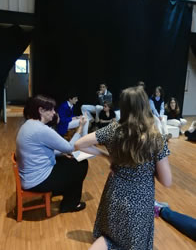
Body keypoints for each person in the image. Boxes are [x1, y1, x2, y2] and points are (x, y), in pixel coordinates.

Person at [75, 86, 172, 250]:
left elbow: (79, 143)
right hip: (140, 200)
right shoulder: (156, 138)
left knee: (110, 239)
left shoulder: (113, 130)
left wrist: (106, 156)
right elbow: (167, 181)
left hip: (114, 194)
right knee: (136, 243)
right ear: (145, 107)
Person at [16, 95, 88, 213]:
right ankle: (70, 204)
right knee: (81, 163)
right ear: (41, 111)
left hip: (29, 176)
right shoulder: (42, 130)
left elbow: (41, 151)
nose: (54, 113)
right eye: (52, 110)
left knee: (70, 160)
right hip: (37, 181)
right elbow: (70, 148)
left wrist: (60, 154)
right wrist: (80, 127)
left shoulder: (29, 124)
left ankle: (65, 192)